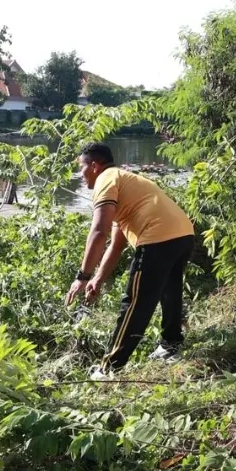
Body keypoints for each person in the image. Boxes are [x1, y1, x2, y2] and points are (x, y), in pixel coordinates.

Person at [65, 143, 196, 378]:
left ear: (94, 166)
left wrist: (81, 277)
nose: (80, 175)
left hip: (158, 237)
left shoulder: (106, 178)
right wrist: (97, 278)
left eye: (81, 168)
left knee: (135, 303)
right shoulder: (124, 180)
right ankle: (171, 345)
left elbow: (98, 232)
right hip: (183, 234)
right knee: (170, 290)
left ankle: (110, 367)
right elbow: (116, 244)